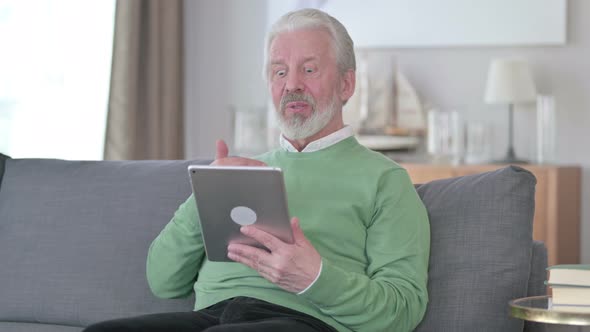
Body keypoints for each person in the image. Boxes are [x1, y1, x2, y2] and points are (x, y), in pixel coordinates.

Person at [84, 8, 430, 332]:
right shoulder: (239, 171)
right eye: (280, 71)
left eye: (308, 69)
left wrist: (315, 277)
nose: (291, 84)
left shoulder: (386, 180)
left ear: (346, 85)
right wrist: (205, 194)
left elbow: (403, 309)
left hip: (302, 320)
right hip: (212, 316)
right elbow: (162, 280)